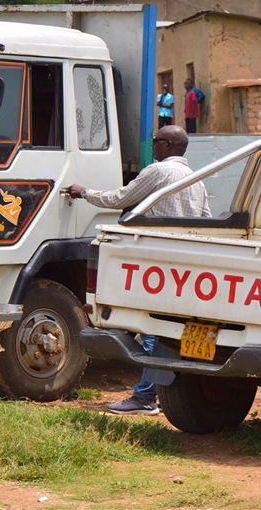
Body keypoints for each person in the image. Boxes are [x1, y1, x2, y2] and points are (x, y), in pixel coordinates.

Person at [65, 124, 210, 416]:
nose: (152, 146)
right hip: (185, 265)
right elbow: (205, 220)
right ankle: (155, 393)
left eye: (156, 141)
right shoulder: (197, 179)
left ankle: (145, 397)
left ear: (168, 145)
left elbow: (119, 199)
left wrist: (84, 192)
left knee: (153, 328)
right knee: (165, 328)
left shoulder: (159, 172)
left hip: (157, 262)